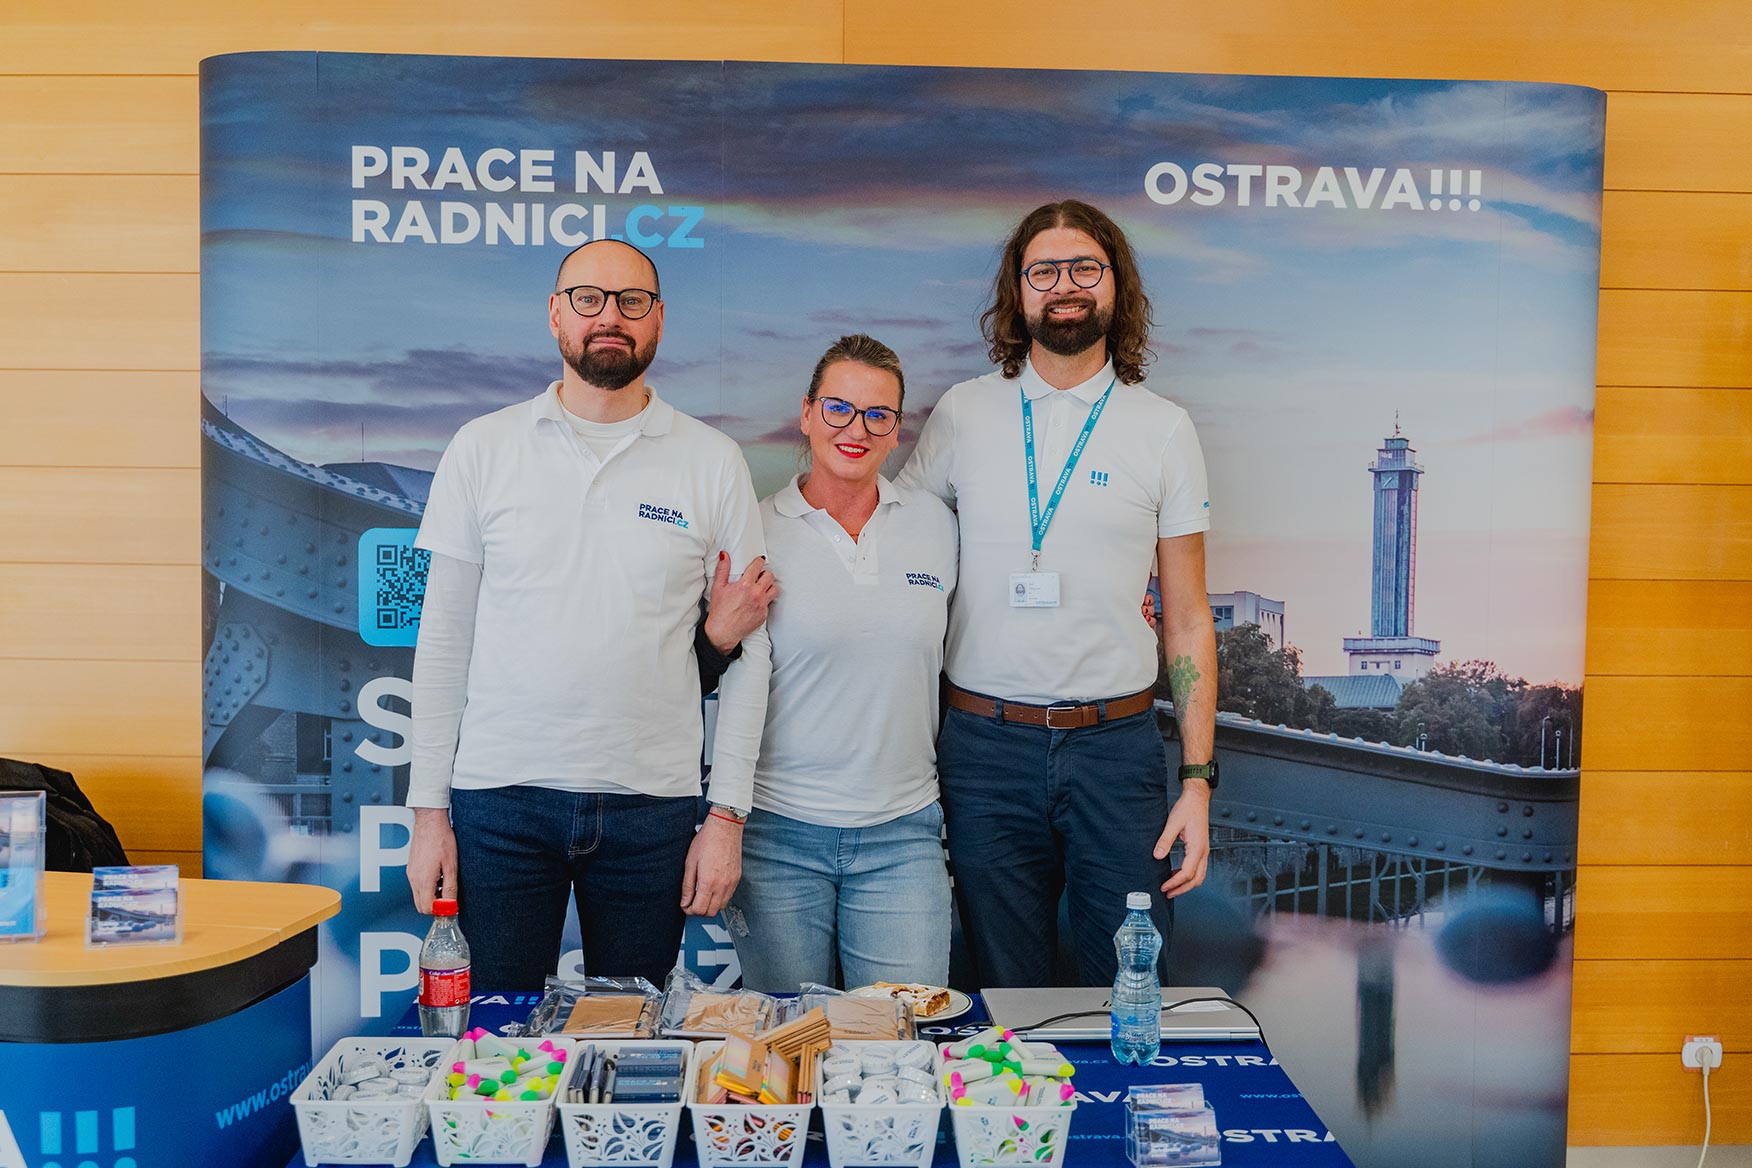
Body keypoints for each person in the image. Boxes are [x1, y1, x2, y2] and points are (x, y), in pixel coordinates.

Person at [403, 239, 777, 989]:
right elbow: (443, 641)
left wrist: (727, 817)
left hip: (652, 807)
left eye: (632, 301)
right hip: (500, 801)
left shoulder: (712, 460)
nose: (610, 316)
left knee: (636, 1035)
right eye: (589, 299)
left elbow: (750, 651)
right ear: (555, 314)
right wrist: (427, 813)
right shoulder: (483, 448)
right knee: (501, 1034)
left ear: (659, 318)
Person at [898, 200, 1218, 987]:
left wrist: (1198, 782)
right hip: (983, 749)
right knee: (1006, 991)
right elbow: (903, 554)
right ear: (1018, 290)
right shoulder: (963, 414)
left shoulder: (1164, 428)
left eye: (1084, 268)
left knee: (1133, 986)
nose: (1065, 286)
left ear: (1116, 285)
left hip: (1116, 751)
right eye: (1044, 271)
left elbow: (1187, 618)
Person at [722, 334, 958, 992]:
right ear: (806, 414)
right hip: (777, 836)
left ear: (897, 430)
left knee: (898, 1039)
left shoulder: (937, 526)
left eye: (878, 414)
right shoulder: (755, 531)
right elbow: (713, 662)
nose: (857, 429)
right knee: (786, 1040)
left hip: (903, 836)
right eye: (838, 409)